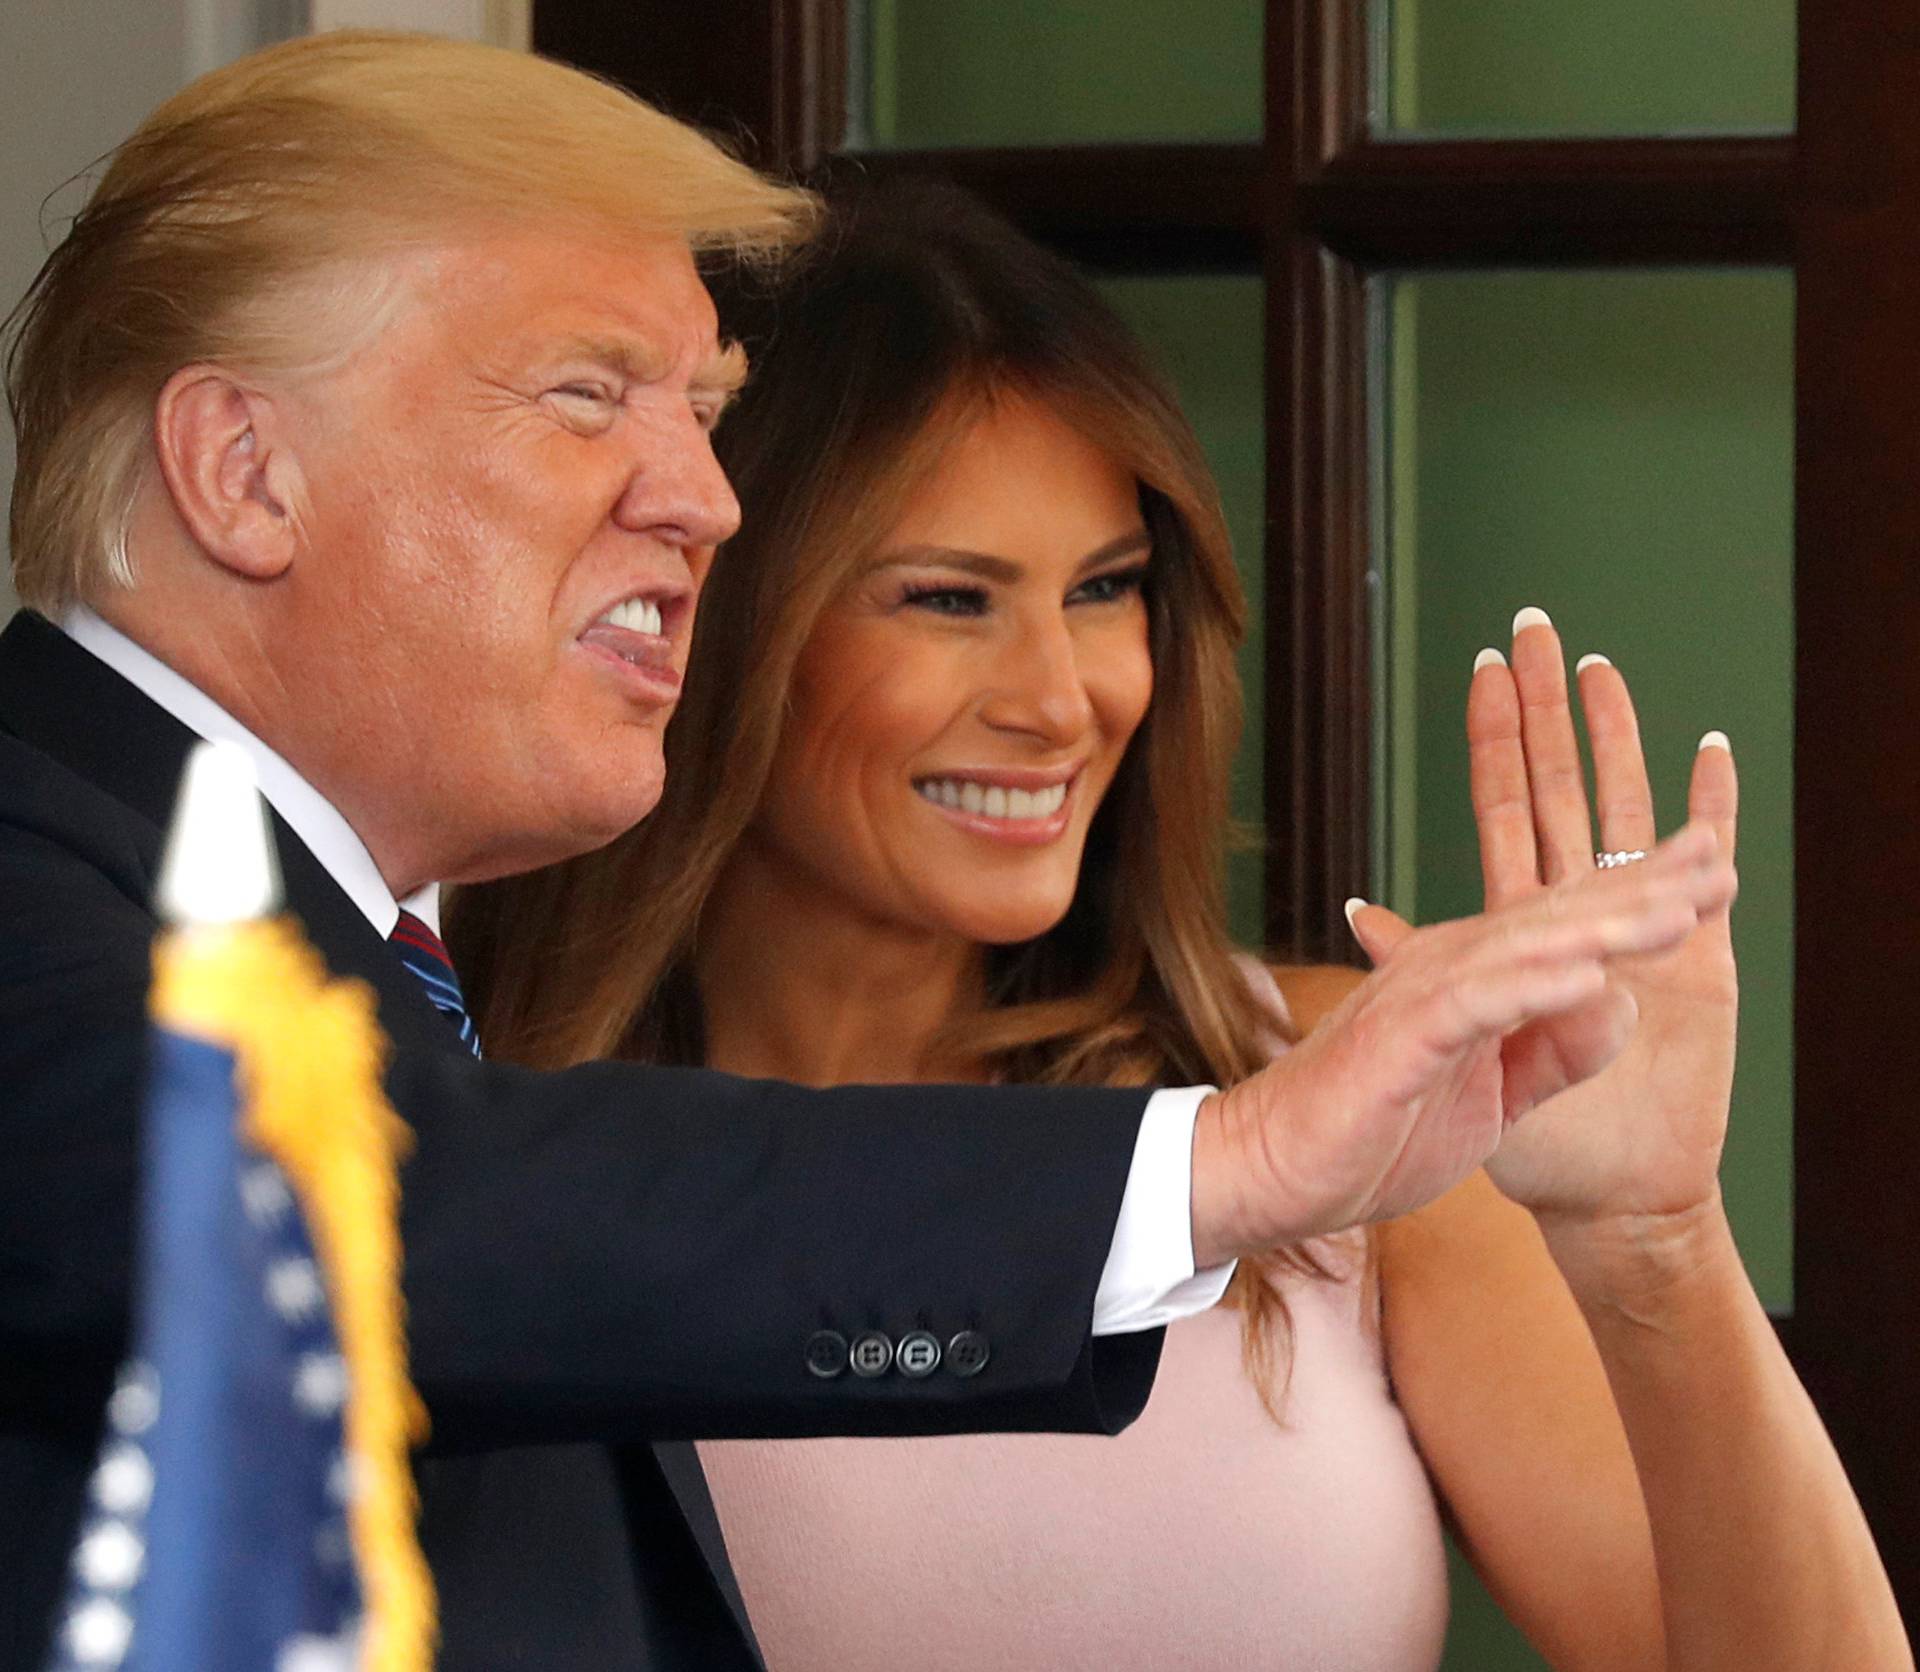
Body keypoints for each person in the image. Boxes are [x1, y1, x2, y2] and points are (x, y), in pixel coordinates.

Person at [0, 32, 1742, 1672]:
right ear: (243, 470)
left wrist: (1642, 1238)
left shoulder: (380, 978)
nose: (707, 496)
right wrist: (1221, 1167)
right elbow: (365, 1213)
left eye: (704, 406)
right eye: (589, 394)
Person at [452, 183, 1908, 1671]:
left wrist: (1656, 1243)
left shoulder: (1369, 1104)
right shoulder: (487, 1154)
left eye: (1108, 590)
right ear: (712, 617)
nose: (1060, 696)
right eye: (950, 598)